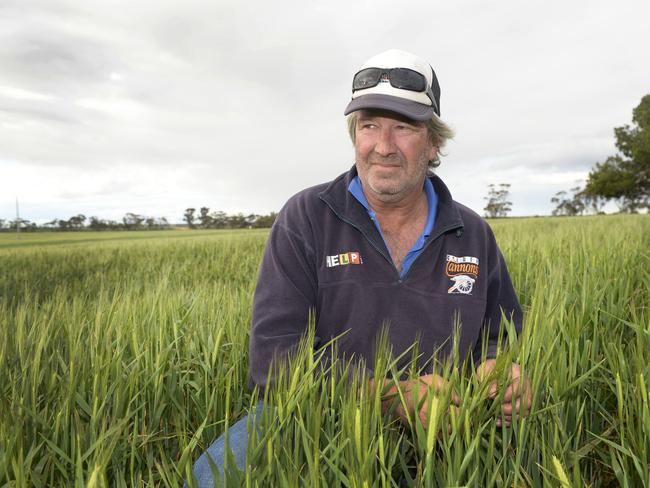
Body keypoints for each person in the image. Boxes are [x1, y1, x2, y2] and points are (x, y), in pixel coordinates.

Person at [187, 49, 531, 487]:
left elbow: (500, 337)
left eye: (403, 127)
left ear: (434, 142)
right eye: (369, 125)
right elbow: (273, 355)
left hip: (446, 416)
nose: (382, 146)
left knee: (529, 466)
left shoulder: (472, 233)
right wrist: (388, 396)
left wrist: (500, 372)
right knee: (214, 477)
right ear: (355, 134)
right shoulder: (307, 216)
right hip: (316, 408)